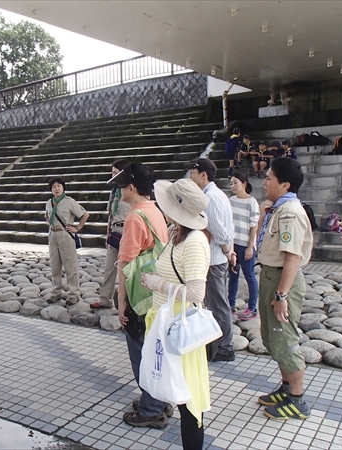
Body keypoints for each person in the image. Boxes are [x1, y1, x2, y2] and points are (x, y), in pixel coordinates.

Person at [140, 178, 211, 450]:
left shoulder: (193, 242)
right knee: (178, 393)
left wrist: (158, 284)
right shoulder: (176, 232)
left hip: (180, 327)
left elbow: (196, 293)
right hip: (165, 319)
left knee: (189, 403)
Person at [111, 162, 171, 429]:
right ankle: (160, 399)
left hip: (140, 294)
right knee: (156, 349)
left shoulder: (135, 217)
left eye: (121, 185)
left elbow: (125, 262)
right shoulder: (155, 210)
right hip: (157, 292)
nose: (119, 190)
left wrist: (122, 302)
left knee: (142, 352)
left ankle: (151, 410)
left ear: (132, 187)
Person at [256, 157, 313, 420]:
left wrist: (282, 295)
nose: (265, 182)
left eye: (269, 178)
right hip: (271, 275)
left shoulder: (290, 212)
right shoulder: (277, 208)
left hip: (282, 280)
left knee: (285, 339)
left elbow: (292, 257)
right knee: (272, 337)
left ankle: (298, 399)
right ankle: (287, 387)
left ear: (285, 183)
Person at [188, 158, 236, 362]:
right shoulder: (215, 194)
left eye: (193, 172)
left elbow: (219, 230)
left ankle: (225, 347)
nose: (191, 176)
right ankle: (217, 344)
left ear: (203, 175)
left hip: (215, 258)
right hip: (215, 257)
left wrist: (227, 251)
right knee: (214, 303)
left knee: (217, 304)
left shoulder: (210, 198)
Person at [91, 159, 131, 310]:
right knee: (109, 267)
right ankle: (104, 298)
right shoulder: (114, 191)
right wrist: (107, 233)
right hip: (114, 232)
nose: (113, 175)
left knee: (126, 269)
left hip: (128, 232)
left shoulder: (132, 189)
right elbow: (110, 215)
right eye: (112, 173)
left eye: (116, 172)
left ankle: (127, 301)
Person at [45, 177, 89, 305]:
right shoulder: (49, 202)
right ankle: (55, 293)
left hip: (65, 235)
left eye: (59, 186)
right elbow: (47, 217)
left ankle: (73, 294)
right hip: (53, 234)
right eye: (54, 187)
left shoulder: (69, 202)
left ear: (63, 187)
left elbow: (85, 214)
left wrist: (77, 228)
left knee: (71, 266)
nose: (56, 189)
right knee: (55, 265)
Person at [228, 173, 260, 320]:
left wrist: (250, 247)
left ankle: (252, 308)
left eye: (235, 183)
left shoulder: (252, 202)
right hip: (234, 244)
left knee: (249, 276)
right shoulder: (231, 201)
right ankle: (231, 304)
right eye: (231, 183)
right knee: (233, 275)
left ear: (244, 183)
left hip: (246, 245)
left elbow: (253, 226)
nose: (233, 186)